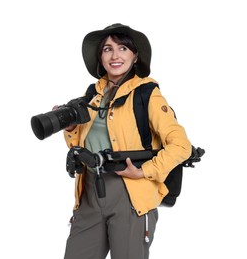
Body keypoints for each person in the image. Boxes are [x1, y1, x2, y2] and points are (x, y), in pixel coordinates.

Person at [61, 23, 192, 259]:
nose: (115, 55)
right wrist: (70, 129)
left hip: (130, 194)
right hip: (90, 190)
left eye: (122, 48)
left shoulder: (147, 93)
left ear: (135, 56)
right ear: (100, 57)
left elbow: (181, 146)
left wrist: (144, 172)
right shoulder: (92, 95)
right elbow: (78, 145)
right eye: (107, 49)